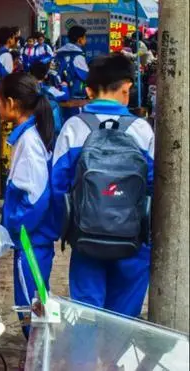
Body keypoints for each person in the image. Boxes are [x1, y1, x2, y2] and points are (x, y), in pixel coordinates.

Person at [51, 54, 154, 317]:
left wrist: (64, 229)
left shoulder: (74, 127)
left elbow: (58, 185)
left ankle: (85, 357)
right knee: (124, 320)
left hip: (87, 239)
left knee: (87, 314)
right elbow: (153, 185)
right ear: (126, 88)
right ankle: (116, 358)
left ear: (88, 91)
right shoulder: (142, 129)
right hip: (132, 241)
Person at [0, 72, 57, 338]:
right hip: (31, 239)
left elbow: (36, 198)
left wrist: (15, 228)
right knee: (33, 304)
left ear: (10, 103)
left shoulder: (30, 142)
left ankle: (37, 357)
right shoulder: (28, 136)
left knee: (31, 308)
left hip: (31, 241)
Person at [54, 26, 89, 98]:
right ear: (79, 39)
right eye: (85, 37)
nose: (86, 40)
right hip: (74, 95)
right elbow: (85, 75)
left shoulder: (59, 53)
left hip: (58, 92)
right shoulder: (78, 55)